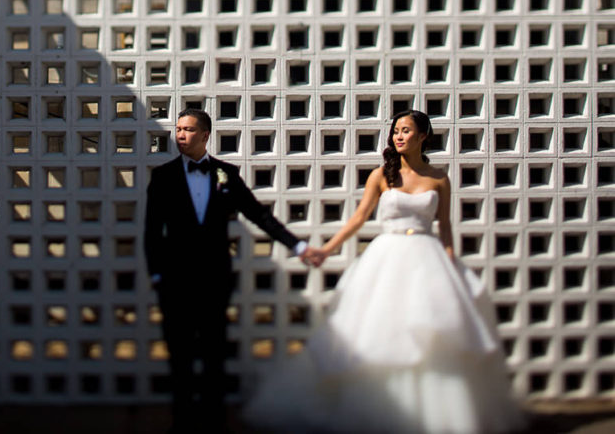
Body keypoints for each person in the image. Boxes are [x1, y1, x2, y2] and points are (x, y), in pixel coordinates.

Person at [244, 110, 526, 433]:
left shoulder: (439, 177)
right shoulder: (381, 175)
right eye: (396, 131)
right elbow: (359, 217)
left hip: (427, 259)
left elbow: (445, 226)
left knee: (433, 334)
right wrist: (326, 248)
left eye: (406, 131)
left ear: (423, 137)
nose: (399, 136)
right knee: (379, 332)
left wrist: (451, 264)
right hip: (387, 258)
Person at [144, 108, 324, 433]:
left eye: (187, 129)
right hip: (175, 281)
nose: (180, 135)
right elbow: (152, 232)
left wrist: (297, 247)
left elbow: (259, 215)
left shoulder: (226, 175)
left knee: (214, 353)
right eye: (178, 129)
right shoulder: (163, 177)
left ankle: (215, 422)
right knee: (180, 356)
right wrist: (157, 275)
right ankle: (182, 423)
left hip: (215, 279)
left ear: (205, 135)